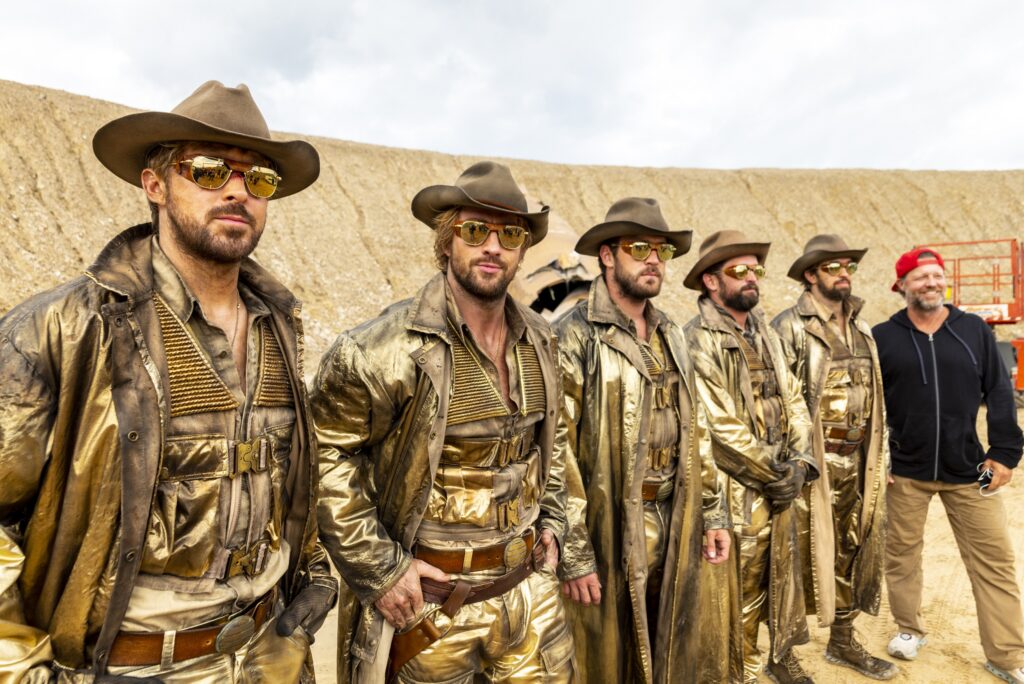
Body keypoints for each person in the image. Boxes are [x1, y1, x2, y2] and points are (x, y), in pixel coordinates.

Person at [0, 81, 337, 682]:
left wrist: (309, 580)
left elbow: (291, 479)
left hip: (273, 655)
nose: (238, 190)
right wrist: (22, 667)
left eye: (259, 179)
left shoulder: (279, 326)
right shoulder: (61, 328)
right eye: (208, 171)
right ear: (154, 185)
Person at [313, 161, 579, 683]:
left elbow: (551, 443)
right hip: (431, 606)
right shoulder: (378, 349)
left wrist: (553, 520)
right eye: (475, 230)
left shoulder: (542, 341)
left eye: (510, 234)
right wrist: (381, 569)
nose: (493, 247)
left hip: (530, 593)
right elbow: (325, 456)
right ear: (446, 242)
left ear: (523, 250)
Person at [555, 198, 732, 683]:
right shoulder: (574, 335)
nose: (654, 259)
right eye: (639, 248)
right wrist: (573, 551)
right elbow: (555, 451)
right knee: (604, 659)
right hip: (608, 525)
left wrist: (713, 513)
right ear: (608, 256)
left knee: (669, 648)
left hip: (676, 517)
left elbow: (698, 431)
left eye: (662, 251)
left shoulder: (670, 333)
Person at [874, 247, 1024, 684]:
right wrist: (877, 458)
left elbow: (998, 392)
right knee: (901, 556)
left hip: (969, 469)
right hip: (904, 469)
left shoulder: (973, 330)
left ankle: (1006, 654)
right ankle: (908, 629)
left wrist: (1004, 453)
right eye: (920, 277)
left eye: (937, 276)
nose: (932, 284)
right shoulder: (882, 336)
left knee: (994, 560)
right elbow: (871, 406)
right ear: (901, 285)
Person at [683, 230, 824, 684]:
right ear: (710, 280)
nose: (751, 278)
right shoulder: (697, 339)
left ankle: (778, 656)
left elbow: (796, 401)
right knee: (733, 591)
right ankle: (734, 671)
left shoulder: (766, 331)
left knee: (779, 579)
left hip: (780, 485)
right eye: (737, 271)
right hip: (734, 489)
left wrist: (802, 462)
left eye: (755, 270)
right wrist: (777, 471)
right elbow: (718, 427)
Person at [772, 235, 896, 680]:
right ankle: (780, 654)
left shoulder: (863, 329)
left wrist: (881, 458)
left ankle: (843, 642)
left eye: (848, 266)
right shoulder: (788, 327)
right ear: (811, 275)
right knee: (793, 557)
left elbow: (878, 400)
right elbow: (778, 404)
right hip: (811, 467)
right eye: (833, 267)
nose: (844, 273)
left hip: (859, 461)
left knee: (852, 548)